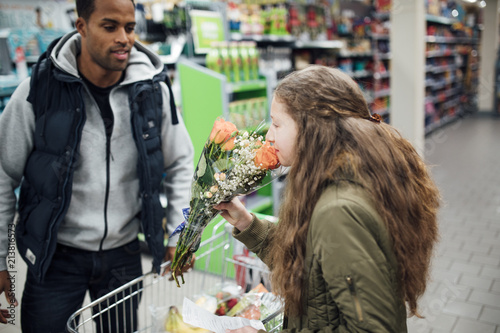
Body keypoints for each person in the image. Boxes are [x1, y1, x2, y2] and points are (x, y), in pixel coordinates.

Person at [0, 0, 194, 331]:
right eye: (110, 26)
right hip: (55, 256)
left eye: (130, 28)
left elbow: (181, 163)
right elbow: (4, 174)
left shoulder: (152, 91)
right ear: (82, 26)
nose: (124, 38)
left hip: (124, 255)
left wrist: (180, 234)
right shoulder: (37, 91)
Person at [216, 65, 440, 332]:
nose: (269, 136)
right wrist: (247, 223)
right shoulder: (351, 173)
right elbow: (311, 264)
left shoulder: (338, 210)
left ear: (312, 130)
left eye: (276, 124)